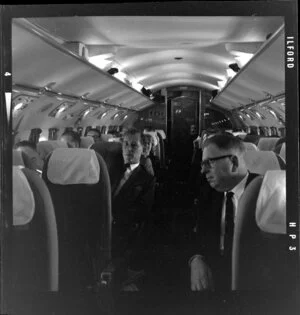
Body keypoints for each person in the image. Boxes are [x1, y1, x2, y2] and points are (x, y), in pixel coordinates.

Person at [189, 133, 259, 291]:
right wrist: (196, 258)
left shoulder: (264, 192)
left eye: (209, 163)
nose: (202, 170)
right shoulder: (208, 192)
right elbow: (196, 231)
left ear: (233, 162)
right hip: (214, 273)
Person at [111, 128, 156, 290]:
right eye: (125, 145)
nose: (128, 149)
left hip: (125, 231)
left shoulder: (147, 179)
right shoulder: (111, 170)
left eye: (134, 145)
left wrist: (114, 217)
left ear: (143, 149)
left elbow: (142, 212)